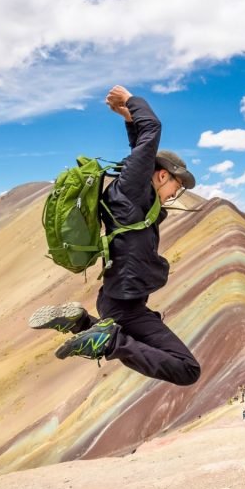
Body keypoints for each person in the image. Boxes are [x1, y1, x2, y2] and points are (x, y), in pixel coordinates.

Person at [28, 85, 201, 387]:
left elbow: (140, 149)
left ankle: (81, 323)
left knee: (131, 336)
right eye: (178, 184)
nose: (177, 192)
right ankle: (106, 341)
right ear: (162, 175)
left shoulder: (134, 193)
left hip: (117, 297)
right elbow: (152, 132)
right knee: (187, 369)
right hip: (125, 302)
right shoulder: (132, 189)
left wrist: (128, 119)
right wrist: (132, 101)